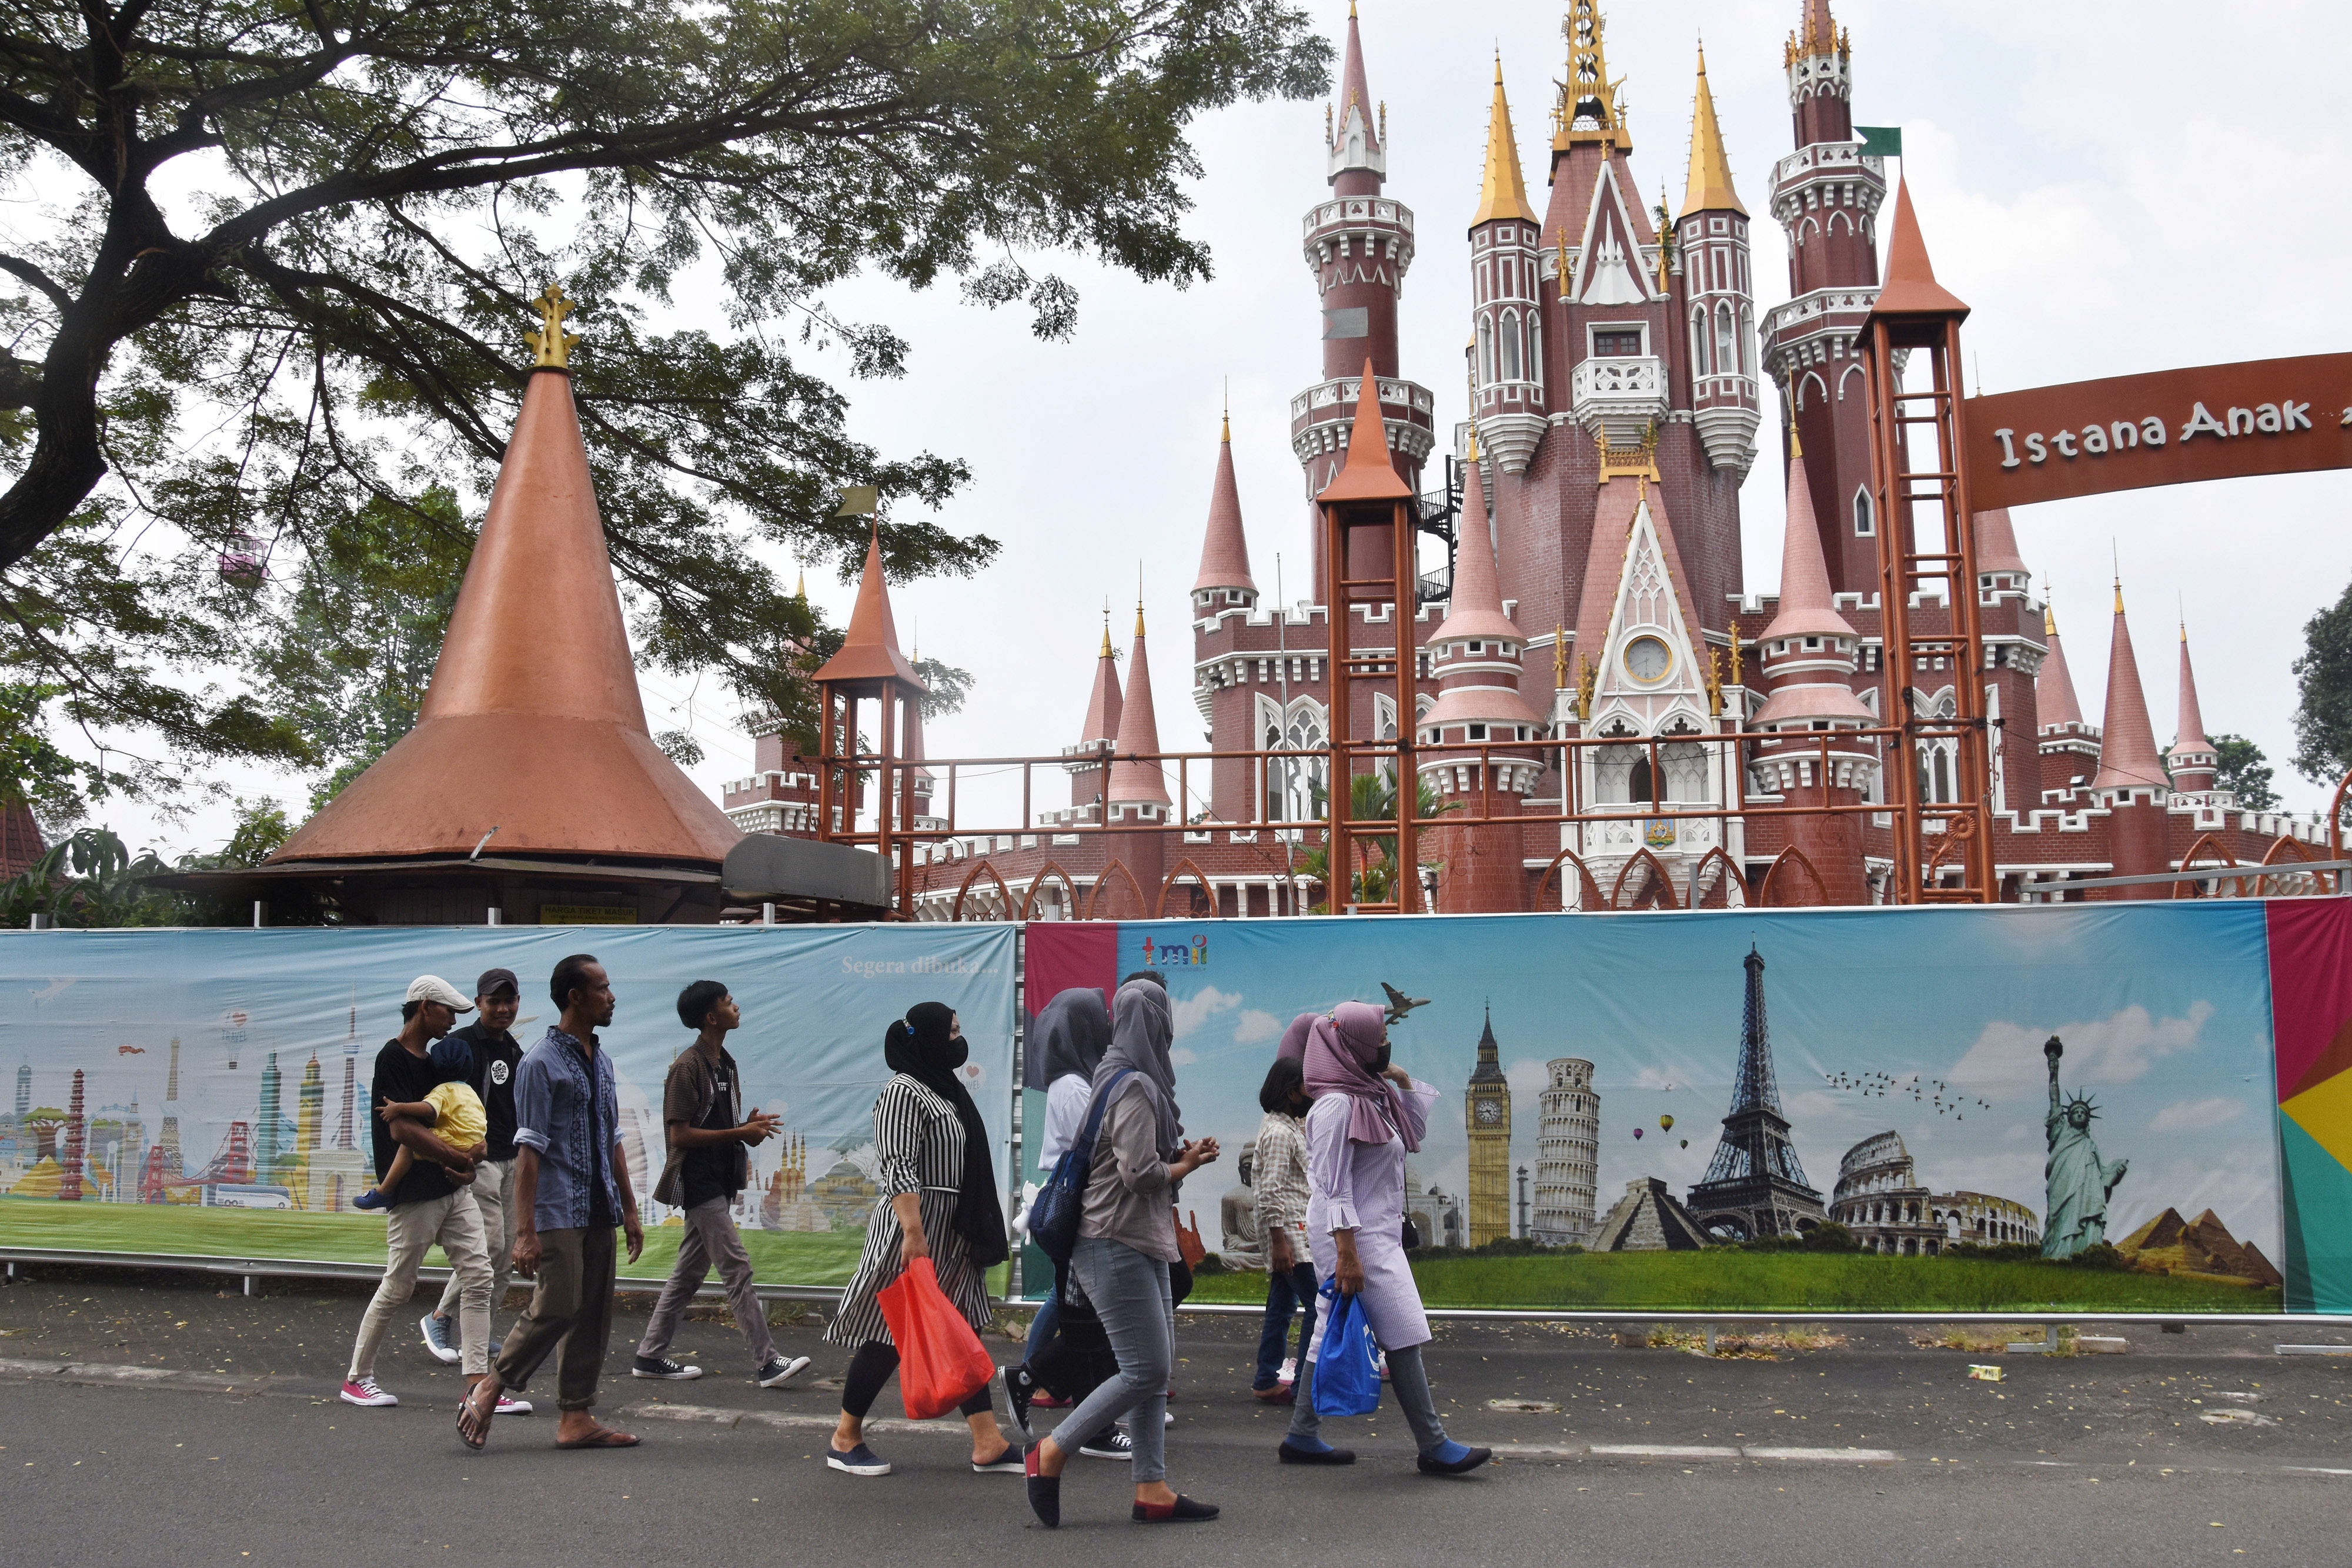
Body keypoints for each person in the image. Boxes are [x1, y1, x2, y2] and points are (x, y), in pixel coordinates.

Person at [1023, 976, 1221, 1528]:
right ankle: (1050, 1453)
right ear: (1156, 1024)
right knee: (1144, 1367)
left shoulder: (1111, 1075)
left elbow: (1129, 1160)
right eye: (1165, 1021)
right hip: (1115, 1239)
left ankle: (1152, 1487)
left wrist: (1177, 1156)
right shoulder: (1132, 1085)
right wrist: (1187, 1165)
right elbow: (1139, 1175)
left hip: (1137, 1237)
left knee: (1153, 1370)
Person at [1279, 1001, 1488, 1476]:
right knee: (1403, 1330)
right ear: (1352, 1046)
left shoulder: (1370, 1092)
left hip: (1375, 1230)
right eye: (1376, 1039)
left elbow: (1411, 1134)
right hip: (1356, 1234)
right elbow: (1331, 1184)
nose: (1383, 1045)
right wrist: (1348, 1252)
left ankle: (1302, 1433)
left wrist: (1404, 1080)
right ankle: (1434, 1444)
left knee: (1330, 1326)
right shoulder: (1335, 1104)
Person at [821, 1002, 1020, 1478]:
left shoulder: (945, 1090)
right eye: (951, 1031)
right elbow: (898, 1164)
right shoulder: (903, 1092)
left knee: (958, 1329)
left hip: (952, 1231)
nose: (958, 1039)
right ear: (929, 1036)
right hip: (915, 1228)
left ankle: (988, 1441)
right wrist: (913, 1231)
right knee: (890, 1331)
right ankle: (845, 1437)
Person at [456, 954, 646, 1451]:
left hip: (600, 1202)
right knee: (558, 1303)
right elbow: (528, 1148)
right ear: (576, 997)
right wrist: (525, 1229)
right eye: (602, 988)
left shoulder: (600, 1058)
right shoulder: (540, 1061)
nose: (611, 996)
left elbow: (614, 1136)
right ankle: (491, 1386)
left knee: (594, 1311)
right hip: (558, 1206)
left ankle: (576, 1417)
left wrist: (629, 1206)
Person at [632, 980, 808, 1389]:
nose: (736, 1006)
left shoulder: (725, 1063)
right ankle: (767, 1361)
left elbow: (719, 1125)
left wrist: (747, 1126)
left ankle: (649, 1353)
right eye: (729, 1002)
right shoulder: (688, 1067)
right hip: (698, 1181)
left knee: (688, 1275)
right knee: (736, 1267)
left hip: (718, 1180)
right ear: (711, 1017)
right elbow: (679, 1135)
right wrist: (739, 1133)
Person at [339, 976, 496, 1412]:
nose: (453, 1022)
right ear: (425, 1007)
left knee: (479, 1277)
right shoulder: (392, 1058)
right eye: (449, 1012)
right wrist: (459, 1157)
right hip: (415, 1193)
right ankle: (357, 1377)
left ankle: (479, 1387)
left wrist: (466, 1159)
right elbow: (402, 1128)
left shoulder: (433, 1063)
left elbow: (443, 1118)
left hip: (450, 1188)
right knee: (398, 1285)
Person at [1002, 987, 1127, 1449]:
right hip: (1081, 1212)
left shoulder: (1074, 1080)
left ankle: (1047, 1380)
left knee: (1076, 1307)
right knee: (1082, 1313)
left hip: (1080, 1211)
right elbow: (1096, 1148)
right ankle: (1038, 1375)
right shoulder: (1074, 1086)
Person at [418, 969, 528, 1382]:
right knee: (490, 1246)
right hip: (476, 1160)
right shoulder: (457, 1045)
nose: (503, 1008)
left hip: (512, 1159)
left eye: (510, 1000)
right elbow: (436, 1102)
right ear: (479, 1002)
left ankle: (474, 1338)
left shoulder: (516, 1050)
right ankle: (441, 1315)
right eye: (493, 1001)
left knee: (506, 1256)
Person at [1250, 1054, 1314, 1402]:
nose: (1312, 1092)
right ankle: (1304, 1382)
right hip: (1289, 1234)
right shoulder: (1278, 1132)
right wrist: (1280, 1242)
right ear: (1291, 1093)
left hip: (1292, 1231)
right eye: (1307, 1087)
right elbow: (1269, 1190)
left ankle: (1266, 1379)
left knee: (1282, 1306)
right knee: (1318, 1306)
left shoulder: (1289, 1127)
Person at [352, 1076, 488, 1211]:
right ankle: (454, 1168)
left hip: (454, 1143)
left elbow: (429, 1109)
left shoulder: (445, 1089)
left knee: (412, 1142)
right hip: (475, 1142)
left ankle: (384, 1191)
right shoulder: (471, 1092)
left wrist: (399, 1108)